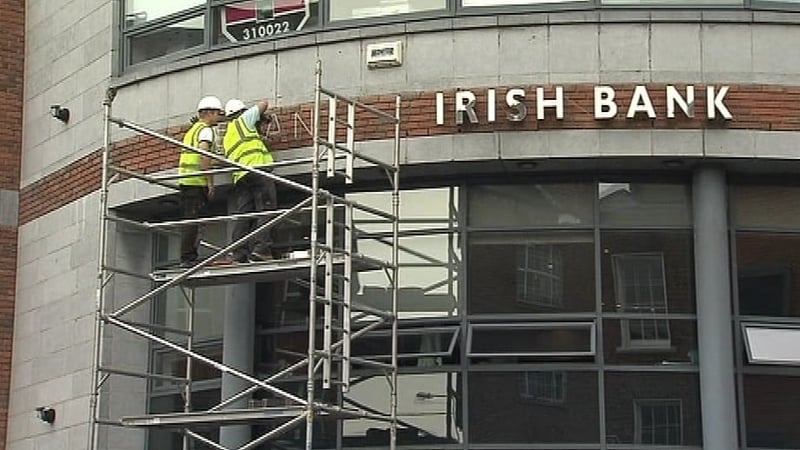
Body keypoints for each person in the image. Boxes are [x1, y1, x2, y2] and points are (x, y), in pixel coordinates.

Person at [223, 98, 277, 262]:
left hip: (241, 177)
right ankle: (261, 248)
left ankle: (238, 252)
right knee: (267, 209)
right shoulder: (243, 120)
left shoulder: (228, 135)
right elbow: (264, 104)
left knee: (245, 214)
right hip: (257, 170)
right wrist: (259, 114)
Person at [178, 95, 224, 266]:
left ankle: (188, 256)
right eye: (218, 114)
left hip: (186, 181)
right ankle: (188, 258)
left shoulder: (192, 130)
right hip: (196, 183)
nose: (220, 117)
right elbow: (204, 155)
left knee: (190, 220)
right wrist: (210, 182)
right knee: (193, 221)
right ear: (210, 113)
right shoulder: (206, 130)